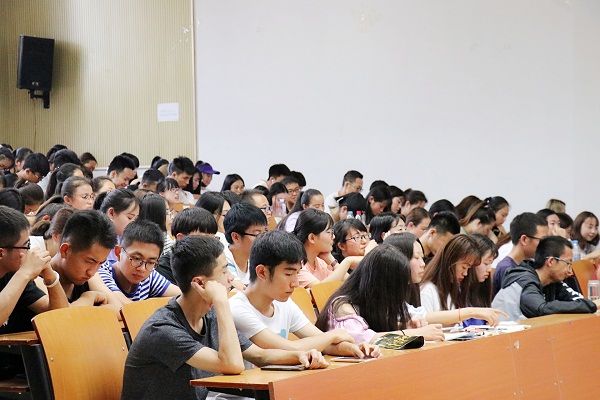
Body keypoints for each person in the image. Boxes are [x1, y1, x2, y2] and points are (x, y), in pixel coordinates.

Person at [121, 235, 327, 400]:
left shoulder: (209, 314)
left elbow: (259, 355)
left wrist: (301, 356)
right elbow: (232, 365)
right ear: (200, 283)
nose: (231, 278)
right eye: (224, 271)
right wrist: (221, 303)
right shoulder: (163, 329)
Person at [229, 230, 380, 359]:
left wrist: (355, 349)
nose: (295, 283)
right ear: (262, 272)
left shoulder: (284, 303)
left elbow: (323, 343)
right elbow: (288, 348)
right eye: (288, 274)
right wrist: (332, 335)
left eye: (297, 274)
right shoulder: (237, 308)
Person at [315, 244, 444, 342]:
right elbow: (362, 338)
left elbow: (373, 326)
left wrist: (404, 326)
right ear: (383, 284)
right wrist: (416, 334)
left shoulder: (371, 302)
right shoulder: (342, 306)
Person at [492, 236, 600, 320]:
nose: (570, 271)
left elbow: (578, 301)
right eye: (568, 263)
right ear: (551, 261)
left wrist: (590, 305)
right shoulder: (524, 280)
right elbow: (541, 309)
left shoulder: (553, 281)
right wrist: (593, 304)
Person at [0, 205, 69, 334]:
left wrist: (50, 276)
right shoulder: (20, 274)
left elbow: (61, 316)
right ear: (1, 253)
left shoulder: (13, 273)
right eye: (26, 245)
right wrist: (24, 273)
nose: (30, 251)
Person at [40, 209, 120, 310]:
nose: (92, 272)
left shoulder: (90, 278)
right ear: (65, 250)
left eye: (100, 263)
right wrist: (88, 298)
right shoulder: (38, 278)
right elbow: (63, 315)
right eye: (89, 261)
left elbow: (118, 309)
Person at [419, 234, 507, 326]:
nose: (465, 273)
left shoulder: (451, 290)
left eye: (468, 269)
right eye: (464, 267)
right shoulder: (428, 290)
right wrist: (469, 313)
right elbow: (424, 321)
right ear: (450, 261)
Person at [98, 220, 181, 306]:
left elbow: (184, 297)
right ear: (118, 253)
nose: (142, 269)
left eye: (151, 262)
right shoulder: (102, 272)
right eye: (137, 259)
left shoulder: (150, 276)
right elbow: (126, 308)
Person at [293, 209, 361, 288]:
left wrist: (332, 261)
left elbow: (348, 283)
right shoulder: (296, 265)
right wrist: (347, 261)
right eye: (329, 232)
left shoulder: (320, 262)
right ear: (312, 238)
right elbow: (319, 290)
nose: (333, 237)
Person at [156, 207, 218, 284]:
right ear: (181, 238)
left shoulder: (212, 262)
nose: (212, 244)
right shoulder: (163, 269)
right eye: (205, 238)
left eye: (213, 238)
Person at [492, 213, 548, 296]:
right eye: (542, 240)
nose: (545, 245)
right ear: (524, 239)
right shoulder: (507, 269)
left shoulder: (527, 265)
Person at [223, 202, 268, 291]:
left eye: (265, 232)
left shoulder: (257, 259)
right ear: (236, 237)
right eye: (257, 234)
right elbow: (243, 292)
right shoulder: (223, 261)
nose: (263, 239)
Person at [99, 188, 141, 264]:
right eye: (129, 217)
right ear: (111, 213)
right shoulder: (96, 238)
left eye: (135, 219)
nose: (133, 223)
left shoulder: (124, 238)